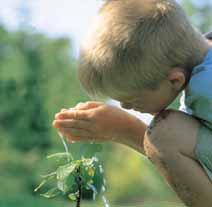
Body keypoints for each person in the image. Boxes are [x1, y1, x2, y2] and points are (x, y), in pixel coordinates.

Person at [53, 0, 212, 206]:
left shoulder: (205, 89)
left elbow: (180, 147)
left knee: (166, 135)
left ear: (175, 80)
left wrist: (126, 130)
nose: (126, 107)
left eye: (131, 100)